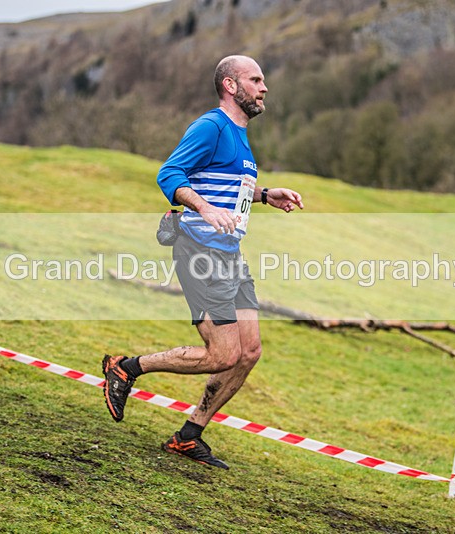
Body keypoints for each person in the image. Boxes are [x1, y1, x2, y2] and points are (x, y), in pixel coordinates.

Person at [102, 55, 304, 469]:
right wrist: (204, 207)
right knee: (223, 354)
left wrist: (266, 195)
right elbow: (170, 175)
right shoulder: (211, 126)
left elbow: (230, 184)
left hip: (229, 254)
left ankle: (189, 435)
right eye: (256, 80)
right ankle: (126, 368)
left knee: (249, 352)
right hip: (200, 251)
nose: (264, 88)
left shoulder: (240, 135)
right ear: (231, 85)